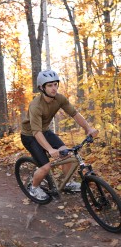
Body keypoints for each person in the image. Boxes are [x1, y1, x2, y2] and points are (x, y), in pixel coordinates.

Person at [21, 69, 98, 200]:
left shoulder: (59, 99)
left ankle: (67, 183)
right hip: (30, 135)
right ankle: (33, 188)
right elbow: (36, 132)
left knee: (65, 154)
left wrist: (88, 128)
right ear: (42, 87)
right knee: (46, 167)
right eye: (50, 85)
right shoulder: (35, 105)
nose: (54, 88)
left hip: (44, 131)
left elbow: (75, 114)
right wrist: (50, 149)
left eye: (55, 84)